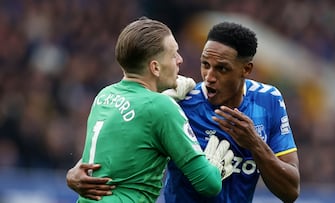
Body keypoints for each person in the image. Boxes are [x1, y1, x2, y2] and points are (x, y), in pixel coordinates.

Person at [66, 21, 300, 203]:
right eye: (205, 64)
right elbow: (125, 138)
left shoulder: (268, 101)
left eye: (222, 69)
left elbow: (291, 192)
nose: (209, 77)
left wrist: (255, 144)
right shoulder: (181, 101)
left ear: (246, 69)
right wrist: (77, 171)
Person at [69, 16, 235, 203]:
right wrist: (214, 166)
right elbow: (208, 184)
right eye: (174, 55)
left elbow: (110, 157)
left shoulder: (104, 96)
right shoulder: (162, 108)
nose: (180, 60)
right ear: (155, 67)